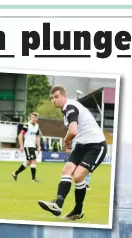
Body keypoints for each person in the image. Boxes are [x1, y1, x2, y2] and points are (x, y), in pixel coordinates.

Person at [38, 85, 107, 221]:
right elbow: (75, 130)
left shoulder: (70, 107)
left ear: (64, 96)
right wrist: (70, 141)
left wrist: (66, 141)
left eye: (56, 97)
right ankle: (57, 205)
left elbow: (73, 131)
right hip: (82, 145)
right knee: (66, 171)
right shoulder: (67, 110)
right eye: (52, 98)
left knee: (78, 176)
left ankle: (77, 210)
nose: (54, 100)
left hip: (96, 146)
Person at [12, 112, 42, 182]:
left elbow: (37, 137)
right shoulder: (27, 125)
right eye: (32, 117)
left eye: (35, 117)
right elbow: (20, 135)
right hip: (28, 146)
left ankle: (15, 173)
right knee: (33, 160)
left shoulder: (37, 126)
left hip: (33, 146)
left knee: (28, 162)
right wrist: (21, 146)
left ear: (37, 119)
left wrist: (39, 146)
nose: (33, 119)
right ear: (30, 118)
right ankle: (33, 179)